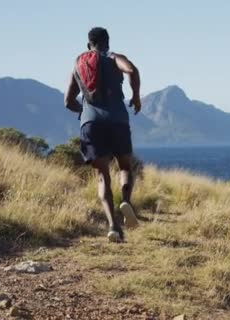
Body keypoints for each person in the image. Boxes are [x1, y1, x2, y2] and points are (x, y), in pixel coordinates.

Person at [64, 27, 142, 243]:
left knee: (102, 176)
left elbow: (67, 101)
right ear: (107, 42)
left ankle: (113, 226)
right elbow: (132, 70)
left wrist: (84, 112)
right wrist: (136, 97)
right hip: (117, 120)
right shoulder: (113, 57)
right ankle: (125, 201)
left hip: (91, 124)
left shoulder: (78, 65)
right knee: (125, 166)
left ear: (89, 44)